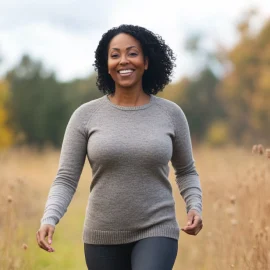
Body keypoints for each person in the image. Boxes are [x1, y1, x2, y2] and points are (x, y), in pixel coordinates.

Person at [36, 24, 203, 270]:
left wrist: (194, 206)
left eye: (132, 53)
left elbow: (186, 170)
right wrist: (50, 217)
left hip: (157, 228)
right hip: (102, 234)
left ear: (146, 61)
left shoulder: (170, 114)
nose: (123, 61)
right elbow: (66, 178)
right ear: (106, 65)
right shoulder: (85, 116)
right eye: (115, 55)